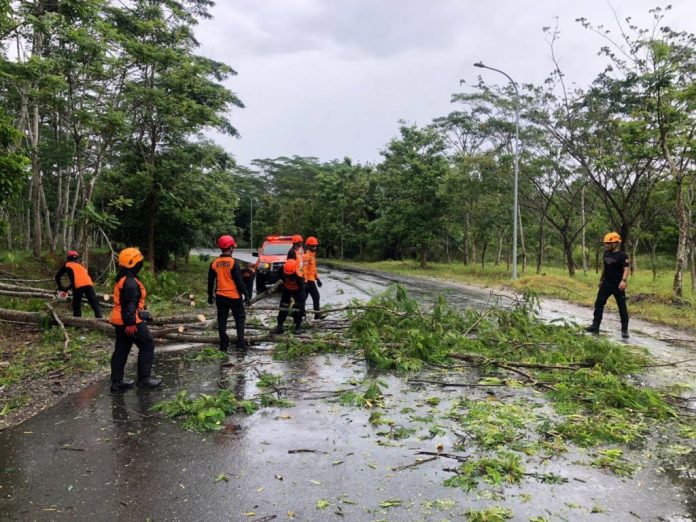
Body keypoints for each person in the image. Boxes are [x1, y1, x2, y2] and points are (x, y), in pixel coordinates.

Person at [109, 247, 161, 392]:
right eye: (139, 261)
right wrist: (131, 322)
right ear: (134, 264)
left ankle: (117, 382)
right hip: (129, 321)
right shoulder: (131, 282)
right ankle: (144, 379)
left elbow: (129, 303)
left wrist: (143, 314)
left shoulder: (123, 277)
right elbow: (130, 304)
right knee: (147, 344)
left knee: (122, 349)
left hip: (119, 320)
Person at [208, 235, 251, 352]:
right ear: (231, 248)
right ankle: (240, 344)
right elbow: (239, 282)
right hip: (234, 297)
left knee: (222, 320)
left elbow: (210, 281)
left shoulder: (214, 263)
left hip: (220, 297)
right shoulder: (233, 263)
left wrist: (209, 297)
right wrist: (246, 295)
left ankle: (223, 344)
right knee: (240, 318)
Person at [586, 232, 630, 339]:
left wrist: (623, 281)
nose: (606, 245)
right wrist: (601, 279)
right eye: (605, 243)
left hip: (618, 285)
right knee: (599, 304)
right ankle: (595, 326)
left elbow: (626, 268)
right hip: (606, 284)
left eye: (608, 243)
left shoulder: (622, 256)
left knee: (622, 307)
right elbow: (605, 268)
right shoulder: (606, 254)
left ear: (615, 243)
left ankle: (624, 330)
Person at [55, 250, 102, 318]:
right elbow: (81, 280)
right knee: (94, 302)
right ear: (77, 258)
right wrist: (66, 288)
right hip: (89, 284)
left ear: (68, 258)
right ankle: (100, 319)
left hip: (78, 285)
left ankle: (77, 320)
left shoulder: (67, 265)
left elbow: (57, 276)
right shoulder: (81, 266)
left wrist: (61, 287)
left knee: (76, 303)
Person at [273, 258, 306, 335]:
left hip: (297, 290)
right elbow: (277, 278)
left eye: (290, 275)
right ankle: (280, 325)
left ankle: (298, 326)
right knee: (283, 306)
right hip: (287, 288)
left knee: (297, 307)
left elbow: (302, 291)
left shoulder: (299, 275)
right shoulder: (282, 270)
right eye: (287, 275)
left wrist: (302, 306)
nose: (288, 276)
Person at [303, 236, 323, 319]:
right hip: (308, 281)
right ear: (308, 246)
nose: (315, 247)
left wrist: (317, 278)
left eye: (315, 246)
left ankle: (302, 313)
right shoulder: (307, 256)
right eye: (313, 246)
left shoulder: (312, 256)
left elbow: (313, 269)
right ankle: (317, 315)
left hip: (311, 279)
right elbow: (304, 269)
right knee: (316, 296)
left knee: (304, 297)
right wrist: (305, 281)